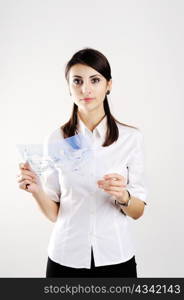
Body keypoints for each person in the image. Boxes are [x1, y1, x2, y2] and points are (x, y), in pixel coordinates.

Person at [17, 48, 148, 278]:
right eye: (77, 81)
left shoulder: (131, 139)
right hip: (65, 258)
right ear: (68, 87)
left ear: (108, 85)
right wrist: (36, 190)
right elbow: (55, 214)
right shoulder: (55, 139)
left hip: (116, 258)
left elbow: (138, 212)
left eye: (94, 80)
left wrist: (123, 196)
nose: (85, 89)